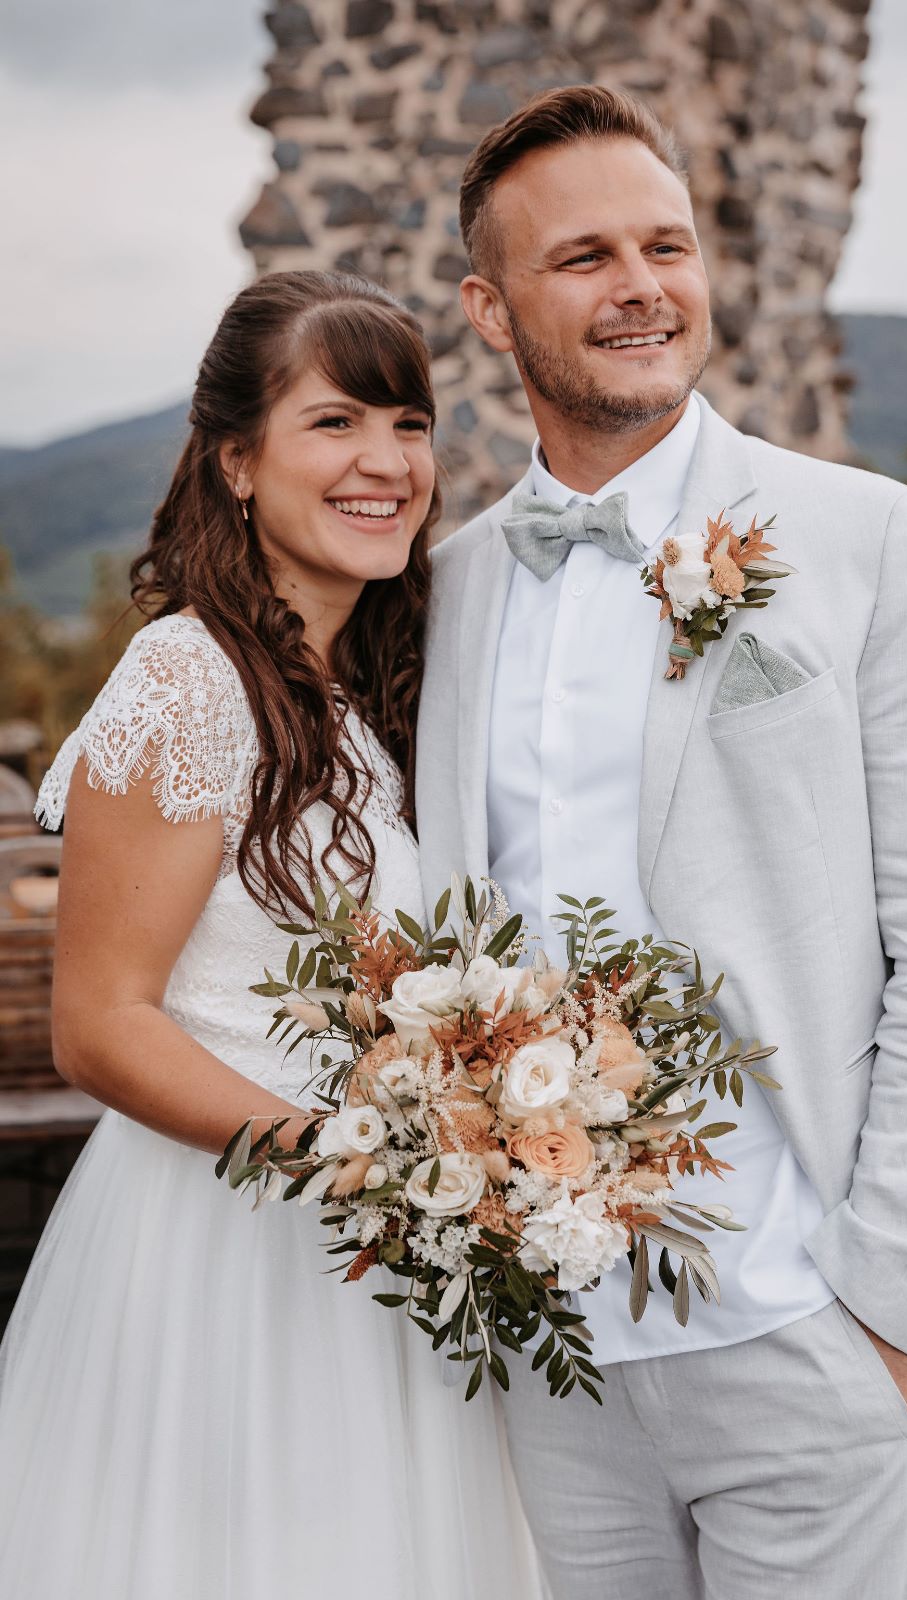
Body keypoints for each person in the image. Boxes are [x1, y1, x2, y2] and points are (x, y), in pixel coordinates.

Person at [415, 86, 907, 1599]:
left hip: (798, 1321)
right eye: (584, 258)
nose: (642, 286)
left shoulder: (875, 543)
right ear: (490, 311)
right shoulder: (447, 589)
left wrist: (881, 1302)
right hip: (552, 1351)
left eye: (667, 246)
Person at [0, 270, 539, 1600]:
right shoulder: (188, 677)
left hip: (392, 1257)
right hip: (230, 1248)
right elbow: (100, 1026)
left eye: (408, 425)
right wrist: (356, 1160)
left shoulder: (369, 691)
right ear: (237, 462)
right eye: (335, 423)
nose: (385, 463)